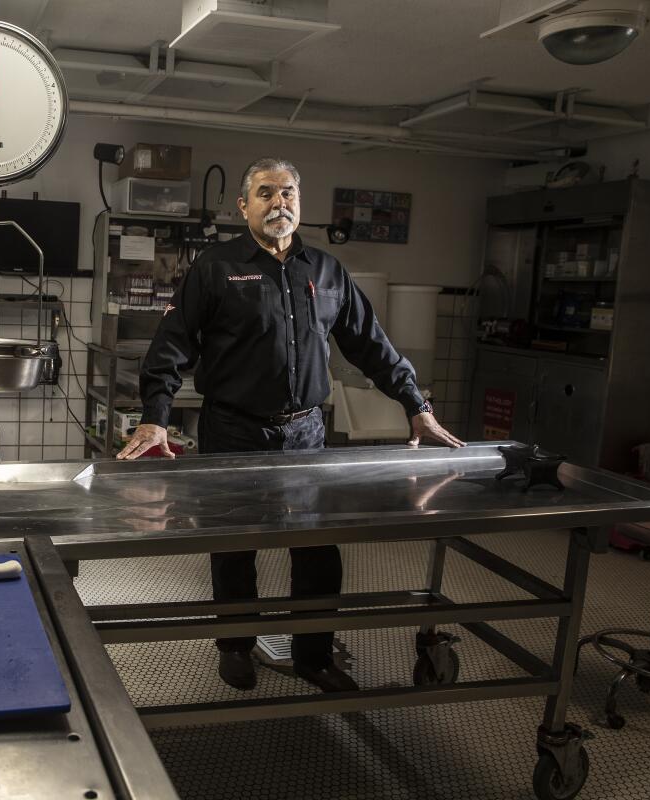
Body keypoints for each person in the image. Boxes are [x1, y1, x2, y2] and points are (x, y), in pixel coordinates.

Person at [117, 157, 464, 693]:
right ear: (244, 206)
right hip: (233, 431)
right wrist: (154, 418)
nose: (278, 202)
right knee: (234, 547)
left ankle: (314, 656)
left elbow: (372, 345)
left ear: (299, 203)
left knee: (317, 550)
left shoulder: (327, 272)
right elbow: (171, 346)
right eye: (265, 193)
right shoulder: (216, 267)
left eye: (288, 194)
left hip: (306, 434)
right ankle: (235, 646)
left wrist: (415, 403)